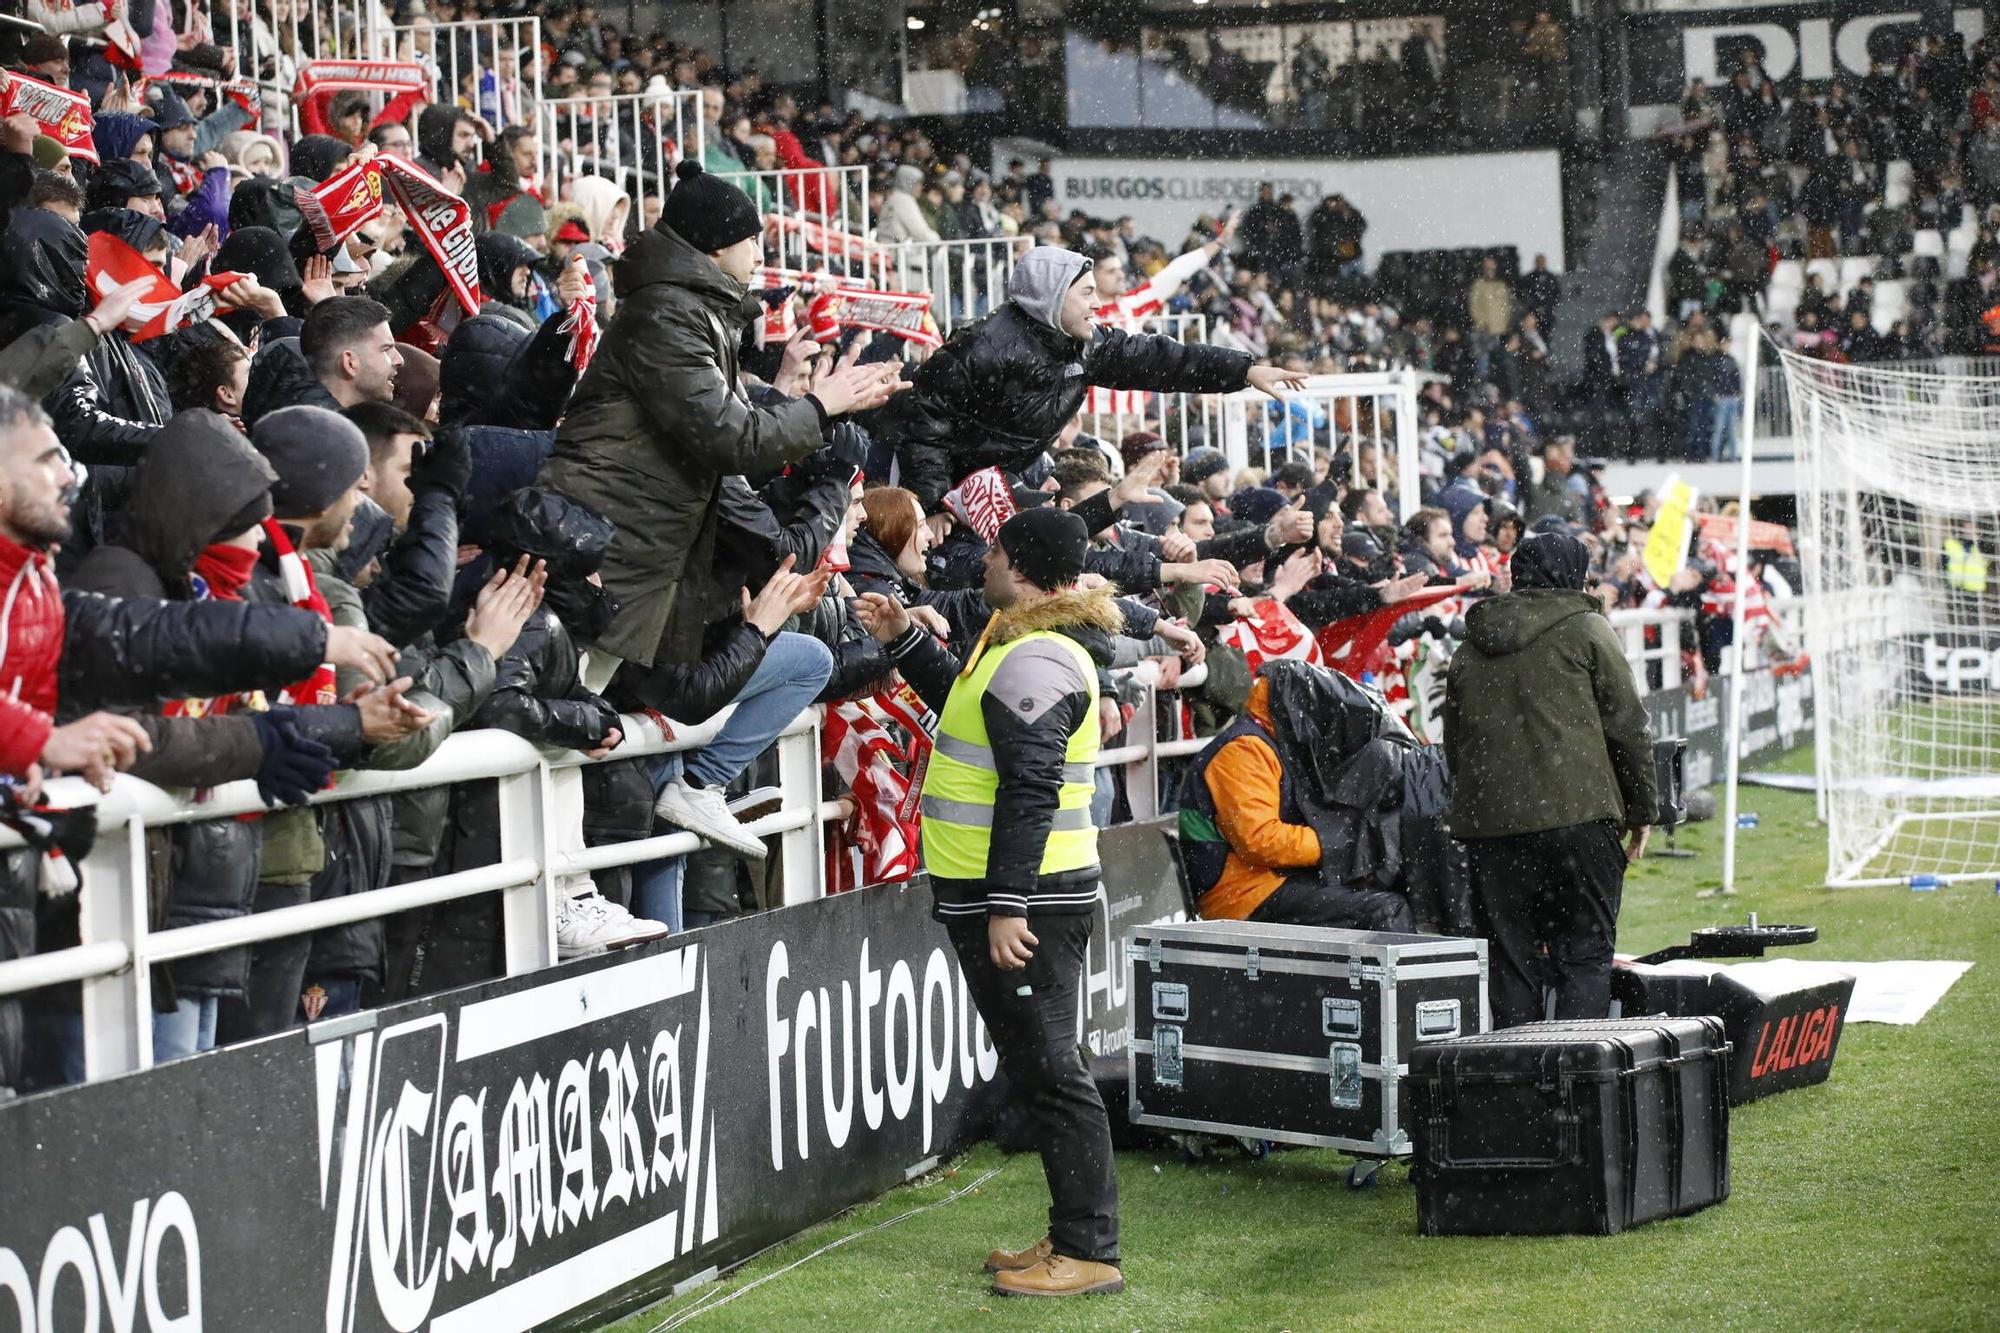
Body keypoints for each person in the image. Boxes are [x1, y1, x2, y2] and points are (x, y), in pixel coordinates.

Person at [853, 508, 1124, 1300]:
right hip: (1010, 893)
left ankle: (1090, 1248)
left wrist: (1008, 901)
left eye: (998, 550)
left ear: (1024, 566)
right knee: (1042, 1068)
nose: (984, 561)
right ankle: (1074, 1229)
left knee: (1053, 1068)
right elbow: (967, 711)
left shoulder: (1037, 652)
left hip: (1027, 899)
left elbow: (1030, 789)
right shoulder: (1020, 640)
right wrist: (906, 639)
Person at [538, 160, 902, 676]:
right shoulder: (668, 314)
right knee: (568, 724)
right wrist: (821, 406)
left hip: (633, 549)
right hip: (610, 547)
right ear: (714, 246)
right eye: (751, 241)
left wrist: (824, 405)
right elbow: (730, 437)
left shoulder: (692, 311)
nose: (759, 255)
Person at [891, 247, 1303, 511]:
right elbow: (925, 430)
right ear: (1051, 298)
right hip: (932, 483)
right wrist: (933, 508)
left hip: (994, 481)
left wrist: (1243, 371)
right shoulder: (981, 348)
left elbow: (1162, 361)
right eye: (1086, 293)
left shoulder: (1086, 344)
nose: (1097, 304)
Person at [1441, 532, 1658, 1028]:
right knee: (1583, 954)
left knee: (1511, 962)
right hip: (1579, 820)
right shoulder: (1588, 630)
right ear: (1575, 575)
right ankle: (1577, 1085)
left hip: (1491, 829)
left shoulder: (1471, 646)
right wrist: (1644, 810)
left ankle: (1519, 1090)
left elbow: (1455, 746)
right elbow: (1628, 728)